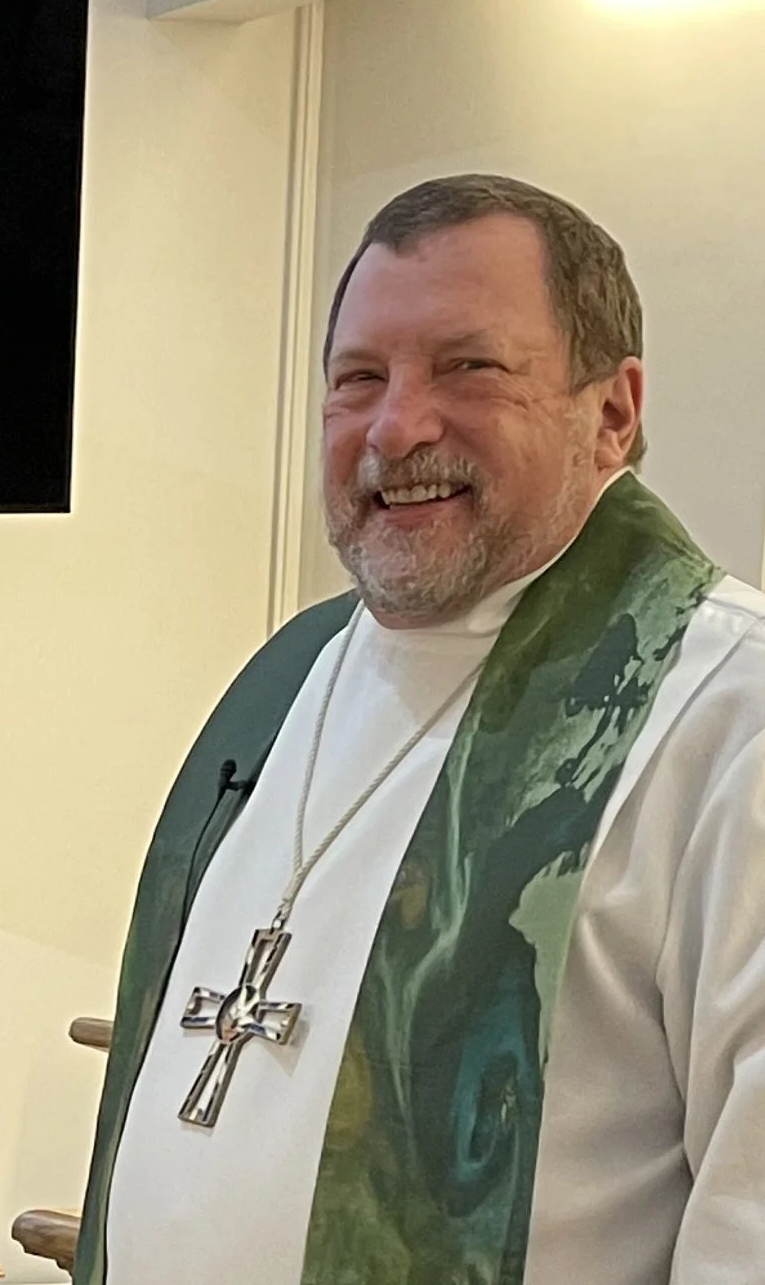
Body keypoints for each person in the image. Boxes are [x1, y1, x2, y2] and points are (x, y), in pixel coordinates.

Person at [71, 175, 765, 1284]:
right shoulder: (289, 675)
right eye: (359, 380)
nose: (397, 427)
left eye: (468, 368)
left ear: (615, 413)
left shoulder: (729, 712)